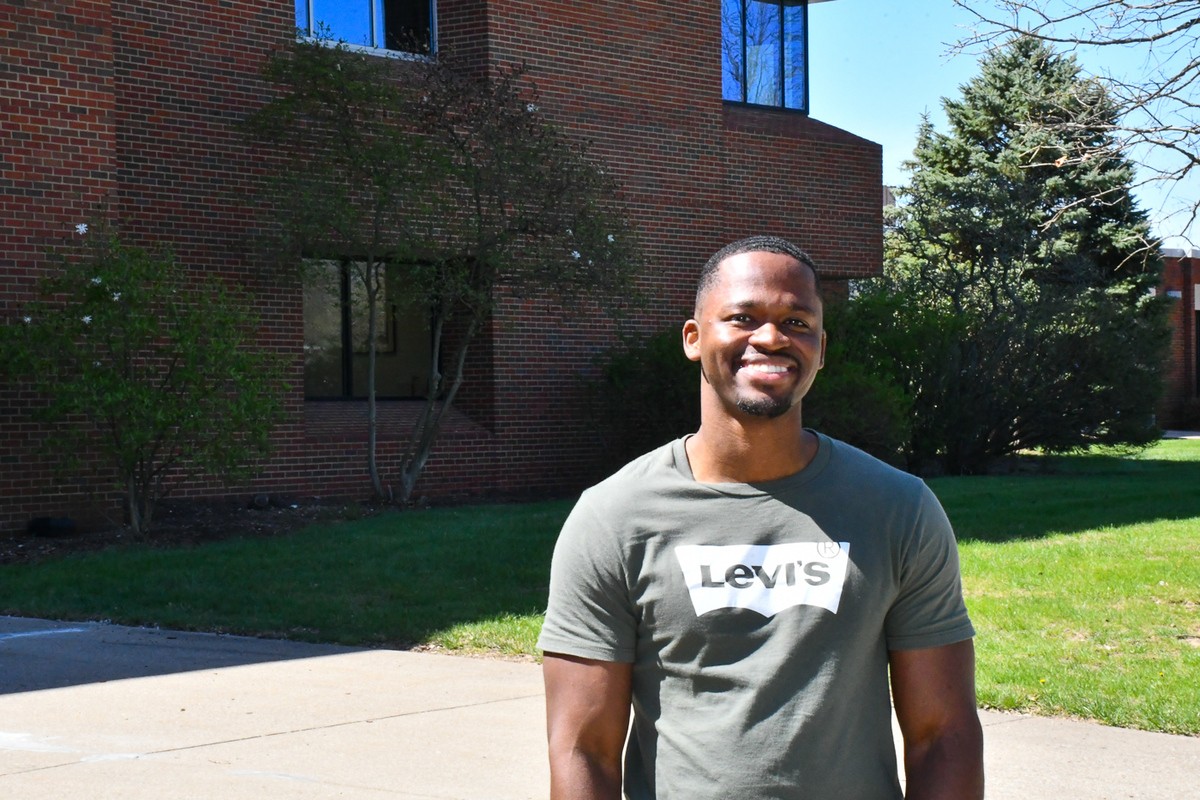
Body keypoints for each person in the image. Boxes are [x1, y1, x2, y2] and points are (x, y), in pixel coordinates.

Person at [537, 235, 984, 800]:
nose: (772, 338)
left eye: (797, 322)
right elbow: (584, 749)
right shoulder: (613, 517)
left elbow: (943, 735)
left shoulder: (898, 508)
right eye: (743, 318)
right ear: (694, 338)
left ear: (821, 348)